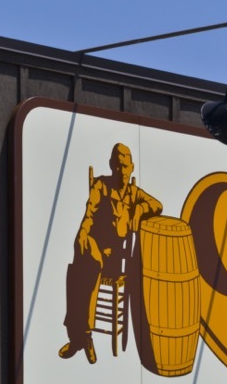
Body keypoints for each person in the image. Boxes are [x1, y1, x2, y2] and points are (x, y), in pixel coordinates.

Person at [59, 143, 162, 363]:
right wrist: (82, 236)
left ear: (132, 167)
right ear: (111, 166)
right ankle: (83, 336)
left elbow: (157, 205)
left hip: (115, 260)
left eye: (125, 167)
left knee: (82, 270)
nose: (122, 172)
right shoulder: (101, 186)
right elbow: (89, 214)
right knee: (84, 264)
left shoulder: (134, 194)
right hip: (94, 248)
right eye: (118, 166)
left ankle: (79, 337)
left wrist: (141, 209)